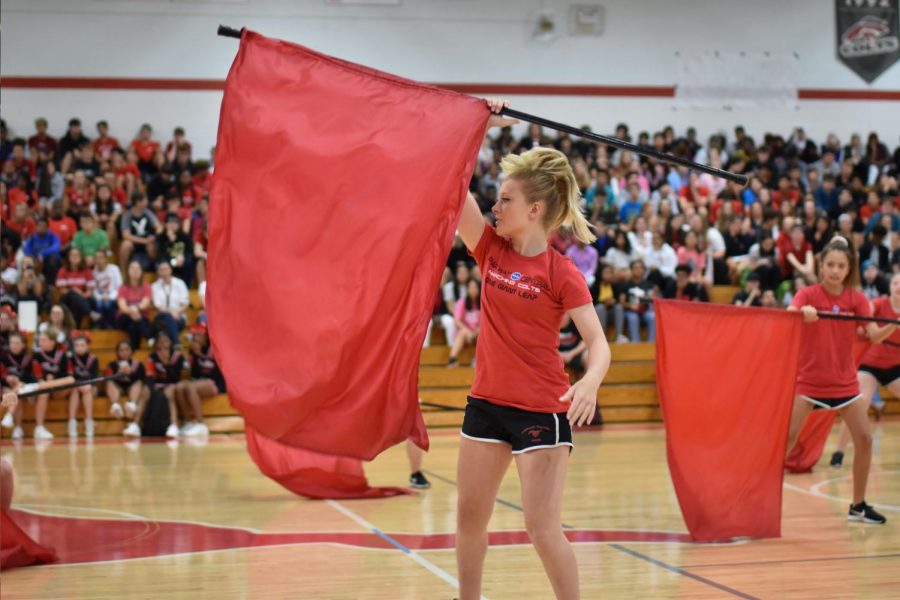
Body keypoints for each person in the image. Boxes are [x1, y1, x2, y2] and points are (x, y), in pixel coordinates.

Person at [453, 99, 610, 600]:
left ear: (535, 210)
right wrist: (480, 128)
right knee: (468, 521)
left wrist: (589, 380)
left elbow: (599, 343)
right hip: (486, 405)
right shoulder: (488, 248)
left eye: (504, 201)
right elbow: (452, 187)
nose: (495, 207)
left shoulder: (561, 273)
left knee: (542, 530)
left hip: (540, 410)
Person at [786, 237, 896, 525]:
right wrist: (802, 314)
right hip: (809, 381)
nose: (835, 270)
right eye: (830, 265)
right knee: (786, 440)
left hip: (845, 384)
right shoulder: (807, 294)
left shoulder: (857, 299)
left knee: (864, 439)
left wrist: (892, 326)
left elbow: (872, 335)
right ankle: (755, 495)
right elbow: (789, 315)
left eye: (840, 266)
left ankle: (858, 506)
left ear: (848, 269)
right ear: (822, 266)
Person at [830, 272, 900, 467]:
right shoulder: (880, 303)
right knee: (859, 404)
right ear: (890, 286)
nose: (898, 286)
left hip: (895, 368)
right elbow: (864, 314)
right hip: (870, 365)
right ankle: (839, 452)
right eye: (895, 282)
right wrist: (862, 326)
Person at [182, 323, 222, 437]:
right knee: (180, 387)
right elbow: (195, 374)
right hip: (200, 381)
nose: (197, 339)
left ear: (206, 336)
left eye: (199, 336)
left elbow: (216, 371)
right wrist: (195, 355)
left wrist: (200, 355)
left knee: (190, 387)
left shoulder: (215, 348)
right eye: (195, 337)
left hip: (216, 382)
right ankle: (188, 422)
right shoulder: (194, 351)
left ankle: (201, 424)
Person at [31, 329, 70, 440]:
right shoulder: (37, 355)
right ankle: (39, 427)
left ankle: (73, 423)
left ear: (52, 342)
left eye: (43, 340)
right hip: (40, 388)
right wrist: (45, 381)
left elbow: (67, 376)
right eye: (40, 340)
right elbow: (36, 376)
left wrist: (53, 380)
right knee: (44, 391)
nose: (40, 342)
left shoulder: (61, 355)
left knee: (73, 384)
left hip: (57, 388)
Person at [105, 340, 149, 436]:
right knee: (110, 382)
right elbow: (107, 378)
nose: (124, 352)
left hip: (132, 387)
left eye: (126, 349)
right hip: (118, 387)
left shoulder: (138, 365)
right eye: (121, 350)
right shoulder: (112, 365)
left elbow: (143, 380)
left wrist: (132, 373)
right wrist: (118, 374)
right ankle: (115, 405)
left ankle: (132, 405)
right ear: (117, 352)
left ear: (131, 351)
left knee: (138, 383)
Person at [146, 332, 185, 439]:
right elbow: (149, 376)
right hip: (158, 384)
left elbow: (176, 378)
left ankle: (174, 425)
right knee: (145, 391)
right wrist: (152, 390)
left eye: (166, 341)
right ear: (157, 344)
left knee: (169, 393)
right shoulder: (152, 357)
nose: (163, 344)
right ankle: (136, 424)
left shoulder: (178, 356)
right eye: (161, 342)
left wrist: (167, 365)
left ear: (171, 343)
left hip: (173, 384)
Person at [1, 332, 35, 440]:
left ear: (23, 345)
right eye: (11, 343)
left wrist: (18, 381)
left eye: (17, 343)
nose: (13, 345)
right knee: (15, 394)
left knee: (19, 390)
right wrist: (7, 379)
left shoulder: (29, 359)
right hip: (6, 387)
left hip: (24, 388)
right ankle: (17, 427)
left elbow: (32, 378)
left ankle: (11, 418)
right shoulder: (4, 357)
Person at [151, 261, 190, 345]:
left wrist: (176, 312)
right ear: (158, 272)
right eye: (162, 269)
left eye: (166, 268)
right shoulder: (154, 286)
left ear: (171, 270)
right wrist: (171, 313)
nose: (164, 271)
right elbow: (158, 306)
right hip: (162, 317)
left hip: (178, 317)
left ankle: (162, 341)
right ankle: (176, 342)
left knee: (167, 325)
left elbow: (185, 303)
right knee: (167, 317)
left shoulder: (180, 283)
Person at [68, 332, 98, 438]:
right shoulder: (71, 358)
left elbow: (94, 376)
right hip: (76, 385)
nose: (79, 348)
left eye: (82, 345)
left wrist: (89, 384)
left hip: (90, 386)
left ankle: (89, 421)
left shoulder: (93, 359)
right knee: (75, 390)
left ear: (87, 346)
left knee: (87, 391)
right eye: (76, 345)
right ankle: (72, 422)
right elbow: (70, 375)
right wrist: (78, 384)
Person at [116, 261, 153, 349]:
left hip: (142, 318)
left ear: (141, 271)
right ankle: (149, 338)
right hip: (124, 318)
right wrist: (133, 311)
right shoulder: (122, 287)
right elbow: (123, 307)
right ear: (128, 271)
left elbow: (145, 303)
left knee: (134, 326)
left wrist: (135, 308)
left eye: (138, 268)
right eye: (132, 268)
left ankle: (134, 350)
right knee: (134, 319)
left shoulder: (146, 286)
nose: (135, 271)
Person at [56, 247, 95, 327]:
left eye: (77, 255)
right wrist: (74, 291)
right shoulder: (62, 271)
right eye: (72, 255)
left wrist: (80, 295)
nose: (74, 257)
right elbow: (62, 290)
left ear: (81, 257)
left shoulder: (87, 271)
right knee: (72, 294)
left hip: (82, 299)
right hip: (66, 299)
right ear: (68, 258)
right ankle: (89, 312)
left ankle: (75, 328)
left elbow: (89, 292)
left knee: (76, 303)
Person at [447, 280, 481, 367]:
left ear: (479, 289)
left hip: (479, 333)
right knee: (462, 332)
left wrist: (477, 330)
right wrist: (468, 331)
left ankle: (477, 359)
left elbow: (486, 322)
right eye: (470, 287)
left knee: (482, 332)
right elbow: (457, 320)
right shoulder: (462, 302)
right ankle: (452, 359)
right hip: (466, 334)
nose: (473, 290)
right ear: (467, 289)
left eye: (475, 287)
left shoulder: (484, 303)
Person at [91, 249, 122, 329]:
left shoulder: (114, 269)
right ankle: (102, 325)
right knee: (99, 303)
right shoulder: (92, 272)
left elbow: (119, 286)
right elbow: (94, 290)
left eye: (101, 258)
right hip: (99, 298)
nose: (99, 260)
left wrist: (111, 296)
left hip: (113, 296)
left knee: (107, 304)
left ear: (105, 259)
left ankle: (110, 325)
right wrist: (101, 297)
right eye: (97, 258)